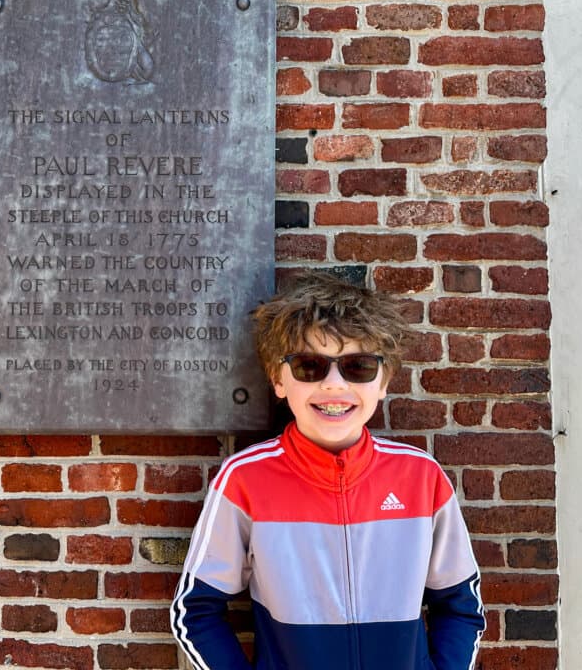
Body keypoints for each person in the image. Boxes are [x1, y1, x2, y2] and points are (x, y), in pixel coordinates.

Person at [171, 271, 485, 669]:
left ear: (384, 380)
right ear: (277, 380)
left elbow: (460, 603)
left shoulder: (421, 478)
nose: (334, 385)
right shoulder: (244, 481)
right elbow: (195, 610)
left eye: (358, 366)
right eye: (309, 366)